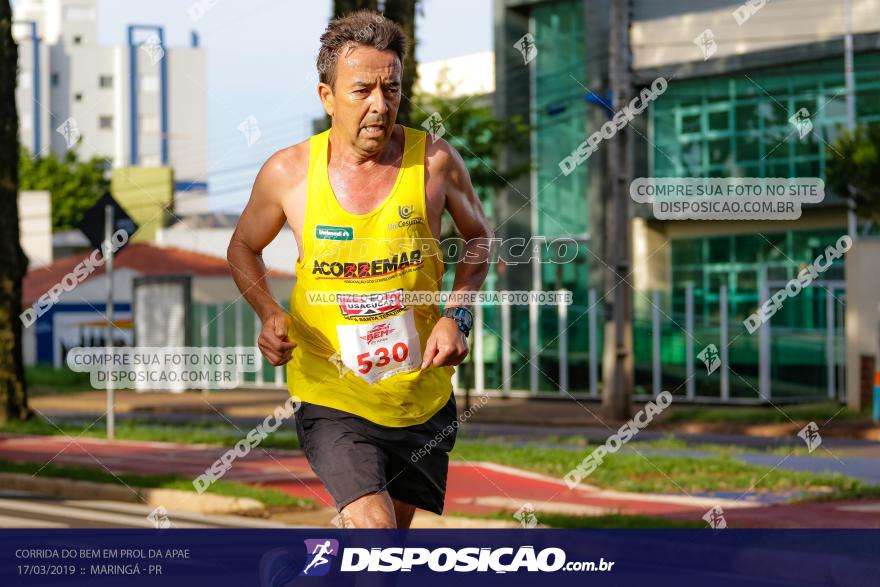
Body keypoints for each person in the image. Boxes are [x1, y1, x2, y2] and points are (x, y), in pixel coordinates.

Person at [227, 9, 492, 528]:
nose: (379, 105)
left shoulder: (434, 162)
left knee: (385, 542)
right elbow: (242, 247)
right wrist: (267, 312)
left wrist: (455, 316)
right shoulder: (289, 173)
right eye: (362, 90)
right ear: (326, 97)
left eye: (390, 90)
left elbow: (479, 239)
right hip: (330, 387)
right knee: (375, 529)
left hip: (419, 393)